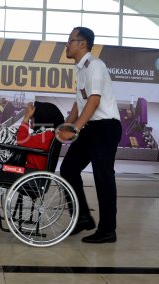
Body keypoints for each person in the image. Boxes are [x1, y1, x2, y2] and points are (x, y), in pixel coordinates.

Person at [58, 27, 122, 244]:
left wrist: (75, 129)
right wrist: (67, 125)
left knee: (103, 177)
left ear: (82, 44)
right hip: (92, 127)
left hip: (105, 127)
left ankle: (107, 230)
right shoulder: (81, 69)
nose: (66, 45)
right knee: (68, 169)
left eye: (70, 40)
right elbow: (81, 102)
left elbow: (94, 101)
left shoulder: (95, 65)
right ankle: (82, 217)